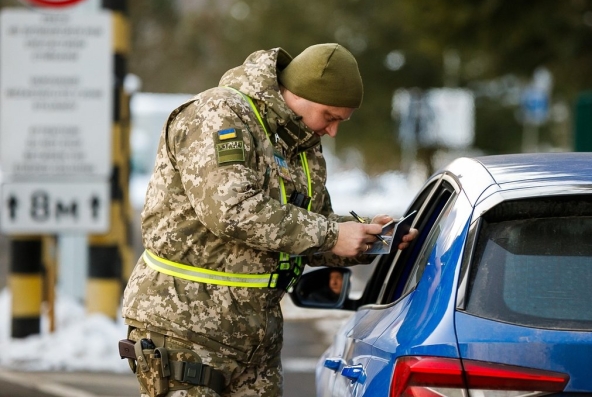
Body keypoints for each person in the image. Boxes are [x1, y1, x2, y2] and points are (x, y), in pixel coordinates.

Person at [121, 44, 417, 397]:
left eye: (341, 120)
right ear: (300, 94)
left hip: (255, 336)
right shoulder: (219, 115)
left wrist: (368, 237)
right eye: (330, 116)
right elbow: (231, 210)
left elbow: (308, 227)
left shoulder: (301, 143)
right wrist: (332, 234)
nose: (333, 131)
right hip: (186, 325)